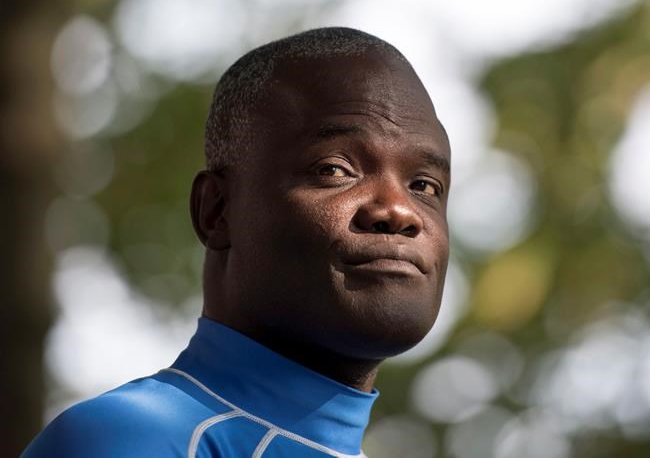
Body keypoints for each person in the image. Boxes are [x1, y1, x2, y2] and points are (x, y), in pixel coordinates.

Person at [23, 26, 451, 458]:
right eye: (335, 169)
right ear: (217, 211)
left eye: (424, 185)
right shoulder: (132, 439)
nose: (399, 210)